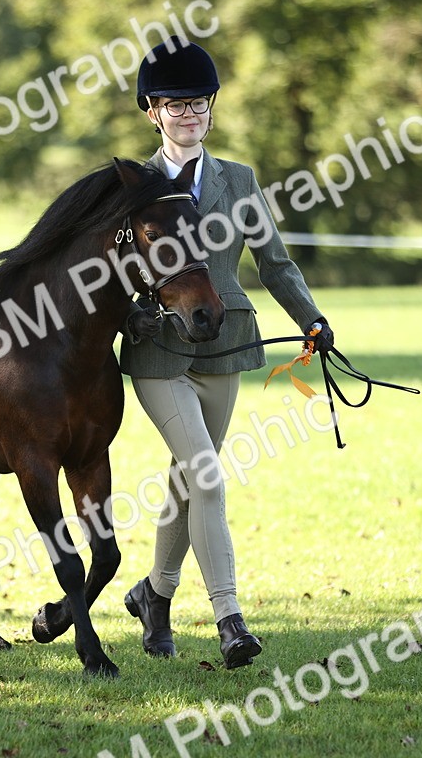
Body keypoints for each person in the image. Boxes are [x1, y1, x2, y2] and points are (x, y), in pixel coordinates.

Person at [120, 36, 334, 669]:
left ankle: (154, 596)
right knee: (208, 473)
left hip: (227, 345)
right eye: (174, 103)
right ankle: (229, 618)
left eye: (199, 102)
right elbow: (105, 276)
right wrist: (135, 312)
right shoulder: (134, 187)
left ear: (210, 108)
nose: (189, 113)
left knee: (189, 479)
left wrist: (313, 318)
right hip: (160, 353)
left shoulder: (238, 180)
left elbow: (274, 263)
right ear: (153, 110)